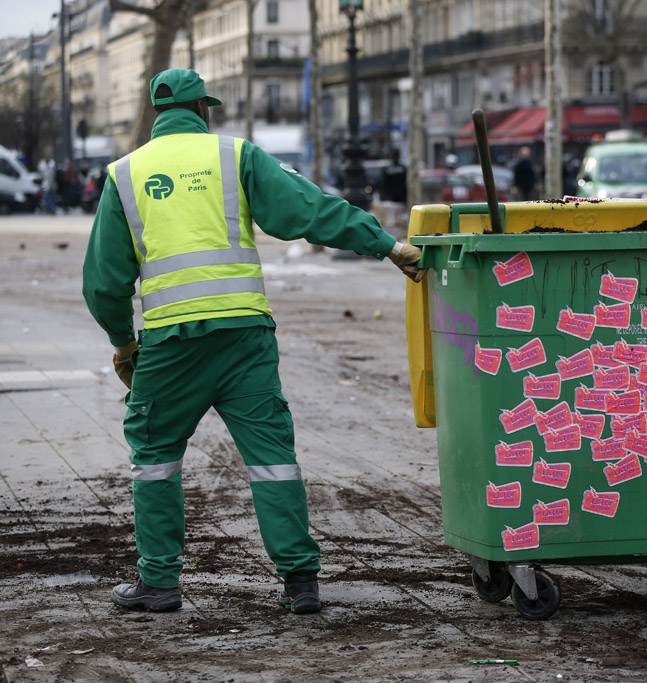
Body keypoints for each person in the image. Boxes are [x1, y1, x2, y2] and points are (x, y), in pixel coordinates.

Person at [82, 69, 425, 615]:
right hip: (245, 335)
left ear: (155, 114)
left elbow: (104, 279)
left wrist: (124, 345)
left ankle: (160, 583)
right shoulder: (236, 155)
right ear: (204, 110)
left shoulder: (125, 174)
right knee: (272, 458)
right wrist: (385, 245)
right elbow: (308, 210)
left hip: (172, 343)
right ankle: (300, 582)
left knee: (154, 457)